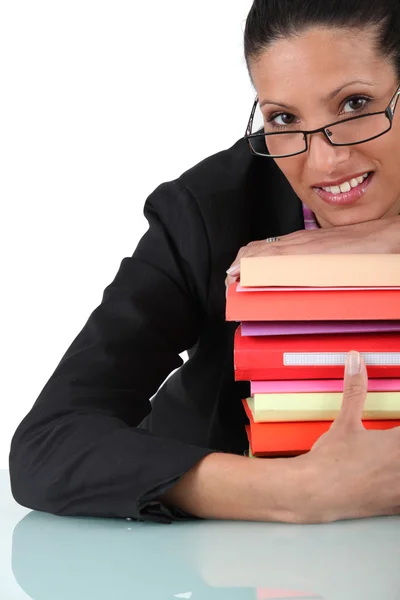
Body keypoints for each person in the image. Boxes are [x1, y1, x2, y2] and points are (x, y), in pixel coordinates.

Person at [9, 0, 400, 524]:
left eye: (355, 104)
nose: (324, 162)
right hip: (225, 561)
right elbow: (49, 444)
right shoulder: (206, 211)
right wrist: (296, 491)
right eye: (283, 118)